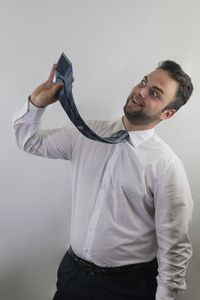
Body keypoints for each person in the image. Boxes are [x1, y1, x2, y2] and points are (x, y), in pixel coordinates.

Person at [13, 60, 194, 300]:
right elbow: (30, 141)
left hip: (127, 287)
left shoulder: (167, 166)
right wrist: (36, 103)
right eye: (144, 82)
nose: (140, 91)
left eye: (154, 93)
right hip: (72, 275)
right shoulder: (85, 133)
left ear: (167, 113)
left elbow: (174, 249)